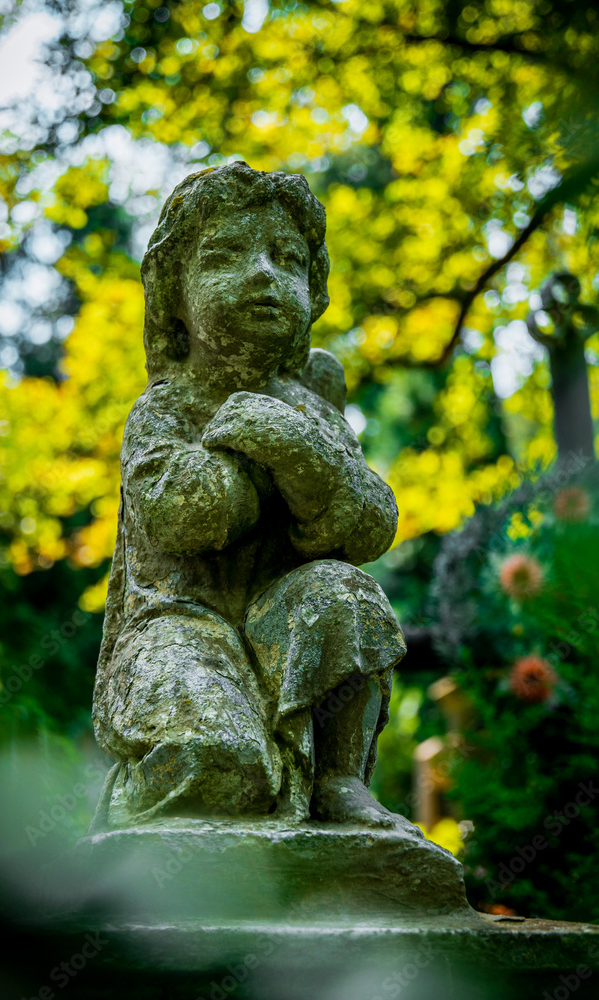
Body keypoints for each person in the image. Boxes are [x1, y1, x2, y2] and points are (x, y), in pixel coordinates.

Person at [92, 162, 406, 828]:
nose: (263, 273)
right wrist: (287, 471)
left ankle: (338, 781)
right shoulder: (165, 407)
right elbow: (183, 514)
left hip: (279, 619)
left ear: (312, 293)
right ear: (171, 294)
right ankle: (132, 829)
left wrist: (294, 446)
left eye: (286, 258)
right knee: (224, 759)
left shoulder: (310, 408)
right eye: (225, 256)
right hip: (179, 626)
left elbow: (370, 526)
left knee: (343, 592)